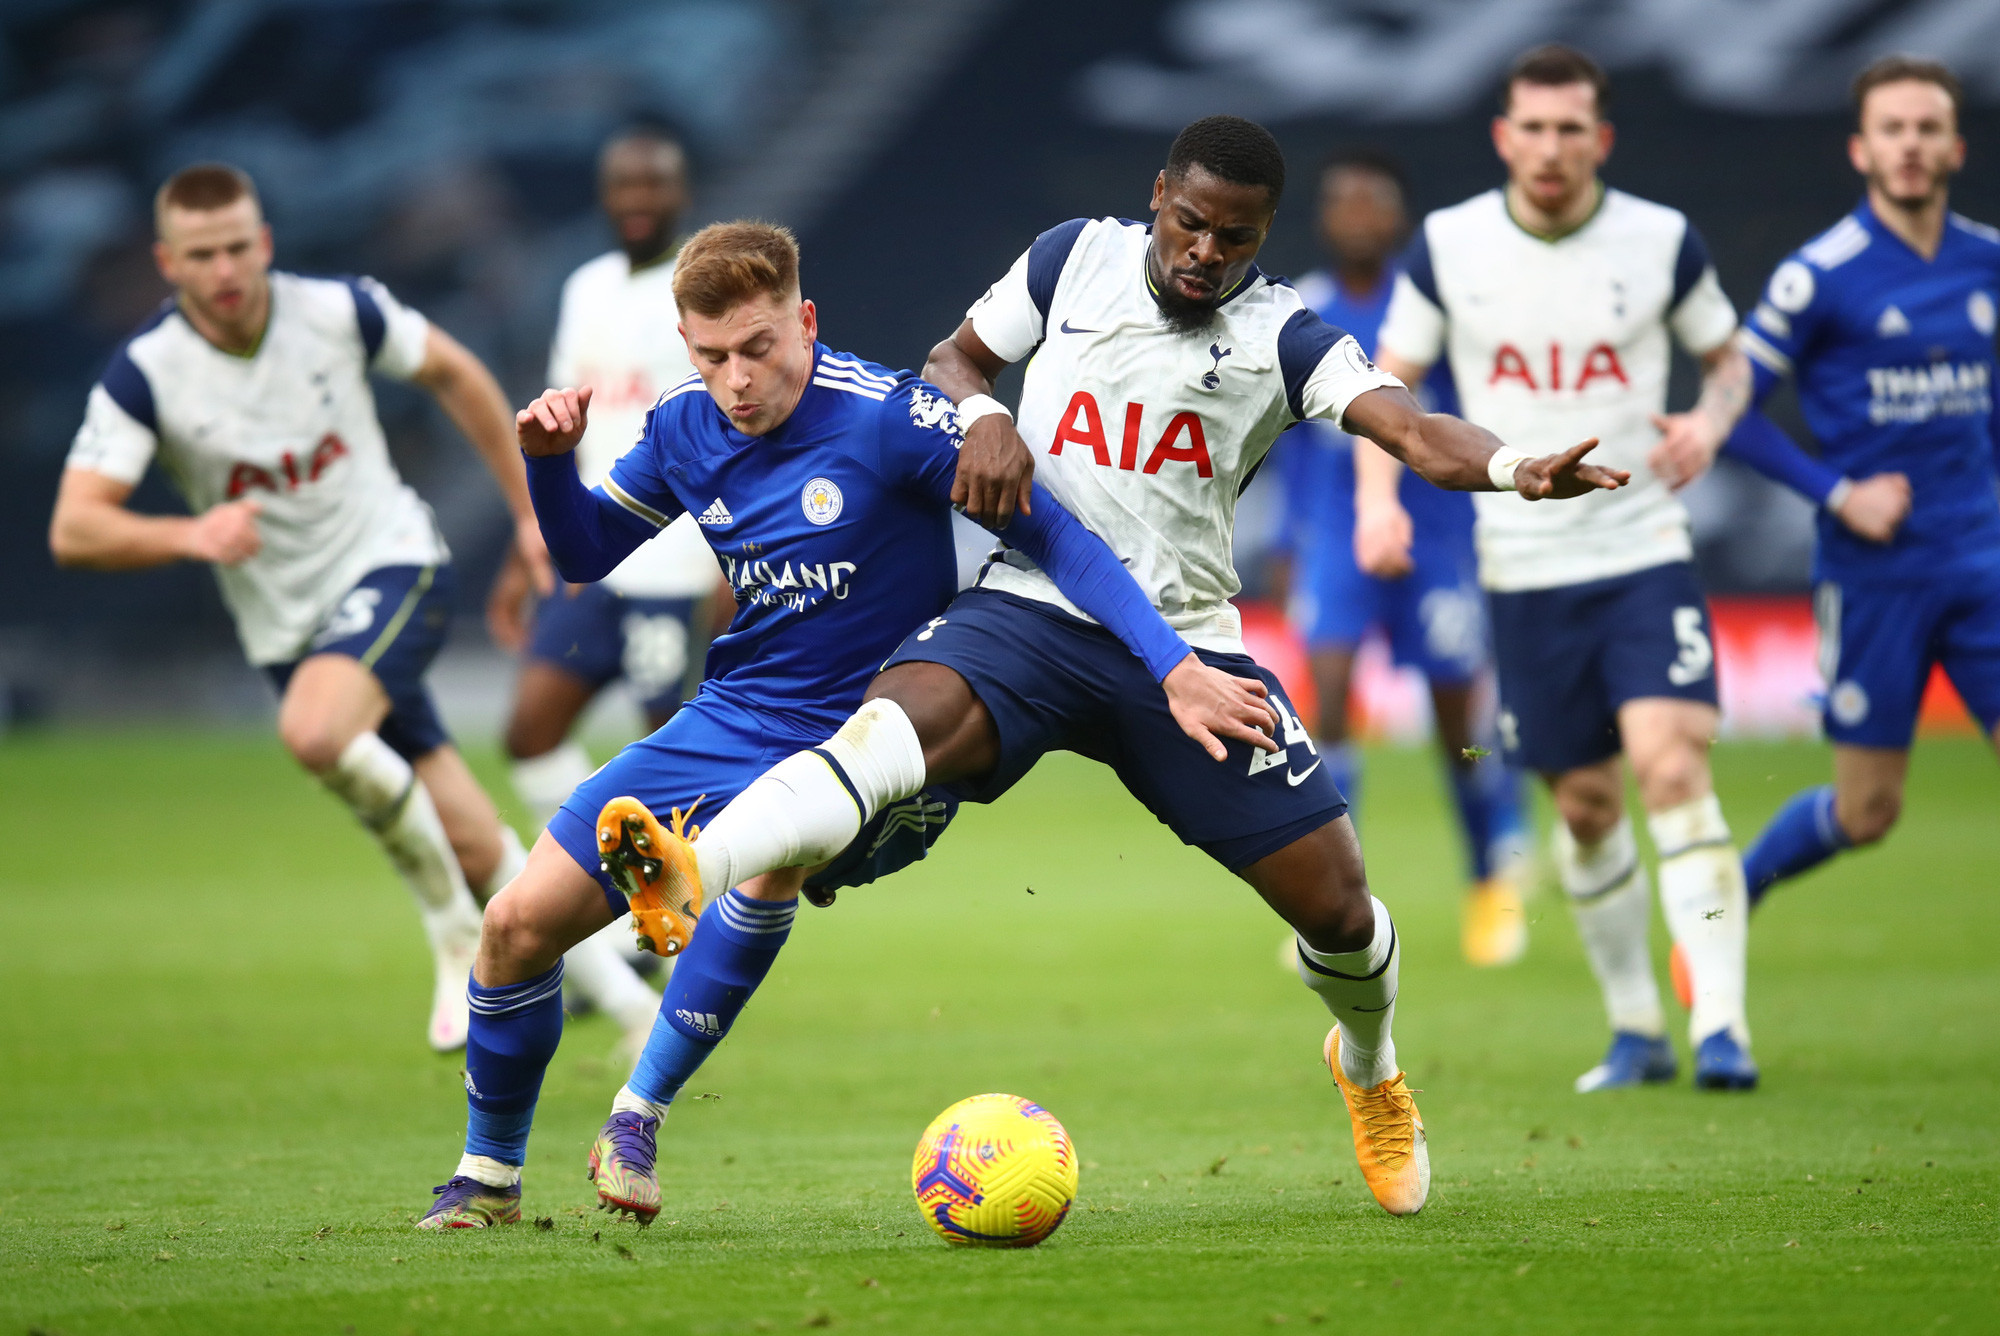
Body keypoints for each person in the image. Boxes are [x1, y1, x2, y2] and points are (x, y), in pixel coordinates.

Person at [641, 116, 1626, 1221]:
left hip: (1185, 649)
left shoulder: (1281, 335)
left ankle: (1368, 1069)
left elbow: (1407, 429)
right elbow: (956, 356)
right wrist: (980, 418)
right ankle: (690, 866)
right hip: (1027, 611)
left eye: (1234, 237)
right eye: (1191, 223)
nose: (1206, 251)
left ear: (1261, 238)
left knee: (1339, 911)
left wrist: (1511, 465)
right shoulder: (1071, 258)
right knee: (879, 735)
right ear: (1158, 197)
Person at [416, 220, 1278, 1229]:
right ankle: (487, 1178)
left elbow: (1062, 540)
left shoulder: (891, 422)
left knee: (782, 852)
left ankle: (637, 1114)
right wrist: (549, 464)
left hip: (887, 732)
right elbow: (583, 554)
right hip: (736, 714)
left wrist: (1172, 668)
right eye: (711, 356)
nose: (736, 379)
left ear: (804, 320)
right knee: (516, 926)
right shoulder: (682, 424)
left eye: (758, 348)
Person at [50, 163, 551, 1052]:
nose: (226, 269)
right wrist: (189, 535)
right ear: (169, 262)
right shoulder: (145, 374)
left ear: (266, 243)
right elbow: (75, 528)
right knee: (472, 837)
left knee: (316, 734)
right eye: (202, 254)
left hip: (391, 562)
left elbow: (458, 373)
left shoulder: (338, 310)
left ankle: (449, 936)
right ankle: (621, 1003)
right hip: (289, 626)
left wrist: (527, 513)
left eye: (239, 246)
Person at [1366, 45, 1760, 1093]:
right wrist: (1376, 508)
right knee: (1583, 806)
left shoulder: (1660, 240)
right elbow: (1384, 389)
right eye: (1530, 129)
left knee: (1671, 768)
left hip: (1640, 552)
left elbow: (1727, 361)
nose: (1549, 148)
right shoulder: (1447, 245)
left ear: (1600, 138)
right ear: (1503, 136)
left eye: (1568, 129)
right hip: (1521, 568)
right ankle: (1634, 1028)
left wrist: (1708, 425)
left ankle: (1719, 1023)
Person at [1696, 56, 1997, 905]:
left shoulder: (1987, 263)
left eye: (1926, 129)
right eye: (1892, 130)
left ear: (1955, 148)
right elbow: (1731, 410)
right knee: (1868, 811)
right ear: (1862, 150)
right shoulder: (1819, 274)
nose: (1910, 145)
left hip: (1983, 564)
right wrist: (1839, 494)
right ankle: (1732, 898)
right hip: (1875, 580)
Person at [486, 126, 726, 1046]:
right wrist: (526, 547)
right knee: (530, 733)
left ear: (679, 190)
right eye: (622, 183)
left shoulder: (700, 292)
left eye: (653, 184)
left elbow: (727, 430)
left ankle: (672, 947)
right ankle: (624, 901)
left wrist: (726, 565)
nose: (636, 197)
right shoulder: (585, 286)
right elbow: (556, 425)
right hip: (592, 560)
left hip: (674, 564)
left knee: (674, 764)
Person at [1273, 147, 1528, 967]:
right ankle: (1330, 904)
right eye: (1341, 200)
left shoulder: (1435, 316)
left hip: (1437, 543)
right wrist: (1285, 541)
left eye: (1372, 202)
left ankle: (1492, 880)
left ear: (1399, 220)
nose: (1356, 215)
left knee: (1460, 728)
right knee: (1332, 706)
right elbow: (1279, 446)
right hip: (1333, 544)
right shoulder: (1298, 312)